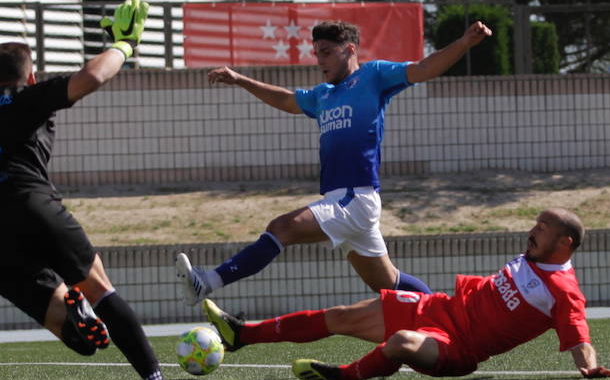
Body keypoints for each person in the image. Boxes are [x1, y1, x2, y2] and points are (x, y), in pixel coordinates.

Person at [0, 0, 205, 380]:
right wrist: (124, 46)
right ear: (29, 75)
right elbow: (90, 76)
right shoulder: (25, 98)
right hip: (28, 204)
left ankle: (77, 308)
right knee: (101, 288)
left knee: (82, 341)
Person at [176, 19, 493, 305]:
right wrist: (240, 79)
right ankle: (449, 314)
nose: (320, 60)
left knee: (282, 227)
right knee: (389, 283)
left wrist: (464, 43)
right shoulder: (323, 94)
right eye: (316, 53)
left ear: (350, 49)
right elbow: (286, 100)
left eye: (326, 52)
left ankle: (208, 281)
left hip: (356, 198)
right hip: (340, 200)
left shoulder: (374, 75)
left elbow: (424, 68)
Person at [199, 208, 610, 380]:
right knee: (342, 314)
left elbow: (578, 332)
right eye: (536, 224)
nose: (533, 230)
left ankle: (344, 377)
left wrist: (590, 367)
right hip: (437, 307)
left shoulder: (563, 290)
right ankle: (242, 335)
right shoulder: (535, 255)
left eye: (543, 228)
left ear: (564, 242)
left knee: (400, 343)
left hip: (456, 349)